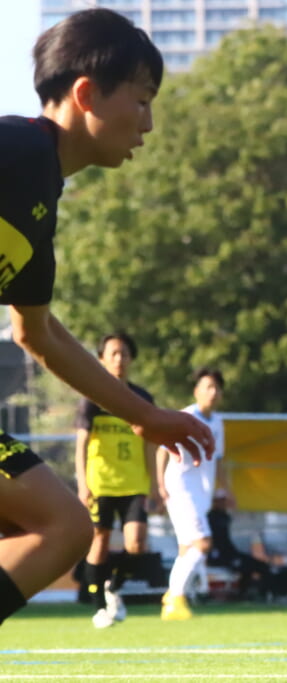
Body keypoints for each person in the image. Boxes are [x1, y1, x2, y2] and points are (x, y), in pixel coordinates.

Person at [0, 8, 215, 628]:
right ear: (86, 94)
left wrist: (146, 415)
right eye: (142, 100)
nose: (148, 122)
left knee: (63, 526)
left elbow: (37, 333)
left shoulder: (40, 199)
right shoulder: (16, 149)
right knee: (59, 524)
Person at [74, 332, 162, 628]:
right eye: (112, 353)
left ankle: (114, 587)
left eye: (124, 353)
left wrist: (156, 485)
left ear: (131, 359)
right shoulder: (92, 398)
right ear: (101, 359)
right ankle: (99, 607)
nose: (119, 359)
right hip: (101, 484)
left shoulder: (143, 399)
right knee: (99, 541)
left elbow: (150, 444)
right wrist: (83, 483)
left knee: (137, 544)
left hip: (134, 483)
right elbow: (81, 445)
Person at [156, 367, 230, 620]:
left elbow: (218, 459)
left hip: (201, 492)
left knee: (187, 547)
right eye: (207, 387)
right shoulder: (185, 417)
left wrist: (225, 489)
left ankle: (173, 600)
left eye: (216, 388)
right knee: (203, 543)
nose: (212, 392)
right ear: (196, 391)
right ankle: (175, 596)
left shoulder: (218, 422)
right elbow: (162, 449)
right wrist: (160, 485)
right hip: (180, 486)